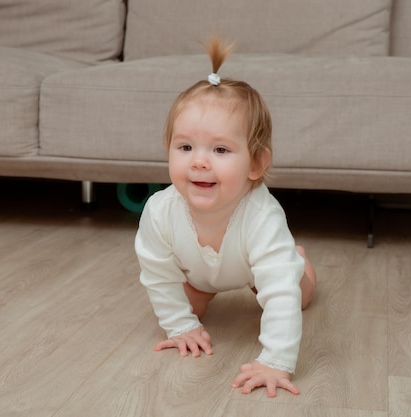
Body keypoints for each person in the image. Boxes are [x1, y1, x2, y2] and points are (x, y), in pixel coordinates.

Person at [135, 35, 316, 398]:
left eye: (220, 149)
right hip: (197, 274)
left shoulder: (261, 216)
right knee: (190, 307)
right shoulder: (159, 211)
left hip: (253, 268)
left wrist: (276, 360)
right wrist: (180, 325)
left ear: (257, 164)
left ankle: (296, 259)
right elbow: (158, 274)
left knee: (297, 294)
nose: (199, 161)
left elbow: (279, 294)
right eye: (185, 147)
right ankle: (199, 299)